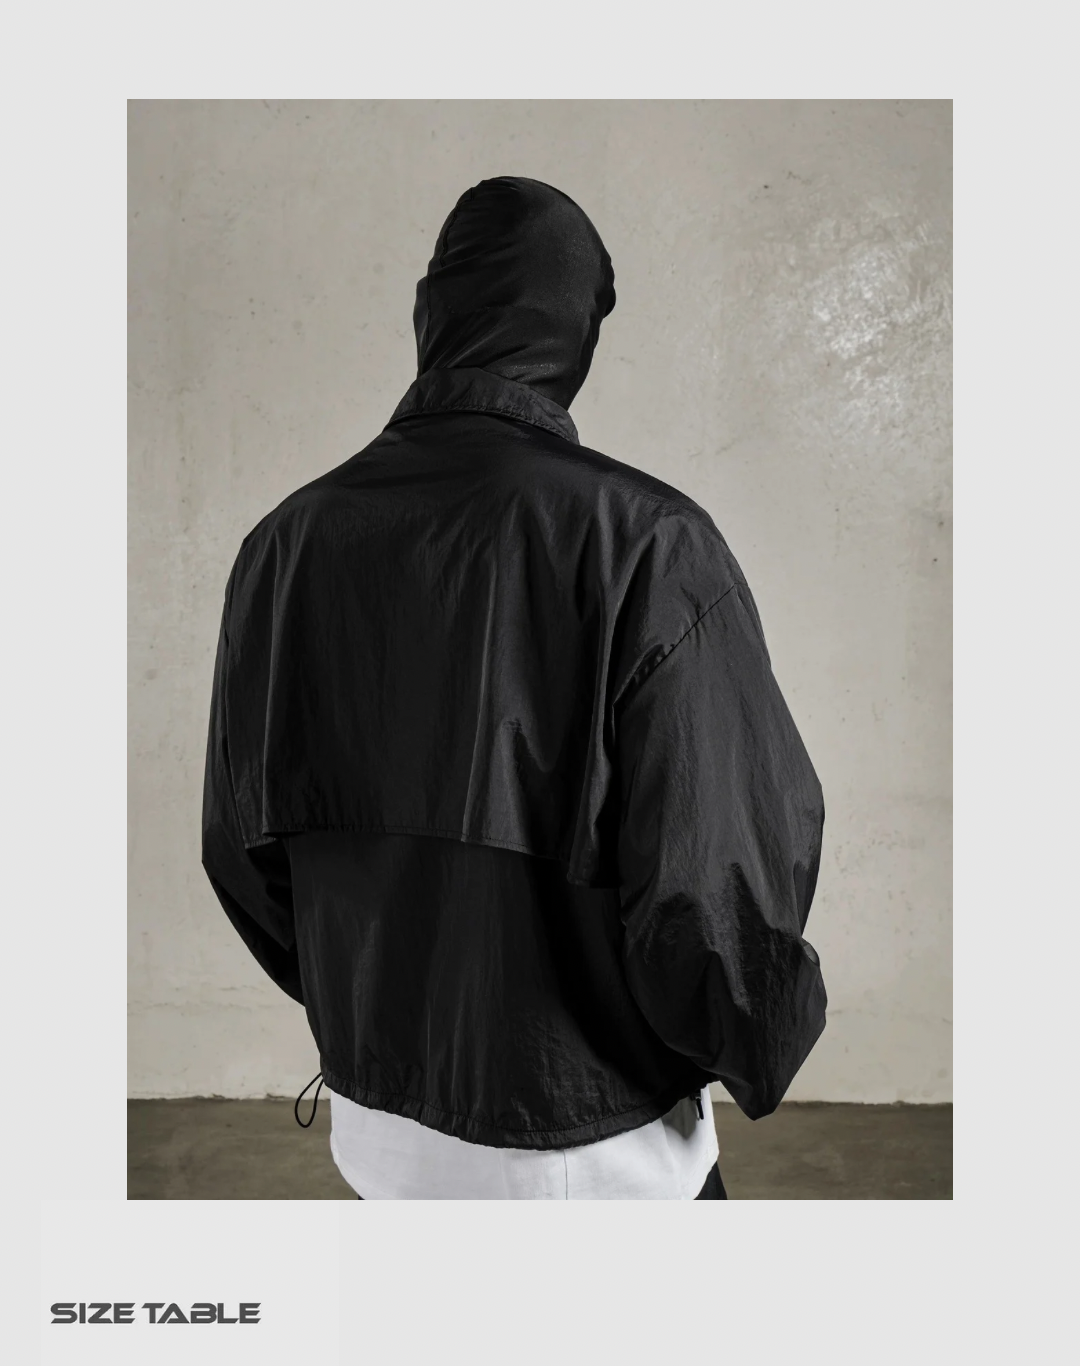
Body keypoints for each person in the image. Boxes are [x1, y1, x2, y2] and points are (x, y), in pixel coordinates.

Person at [202, 175, 826, 1200]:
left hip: (381, 1133)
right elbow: (716, 887)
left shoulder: (285, 545)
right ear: (575, 330)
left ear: (433, 312)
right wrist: (753, 1037)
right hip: (591, 1150)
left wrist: (373, 1015)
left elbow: (243, 852)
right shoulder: (647, 543)